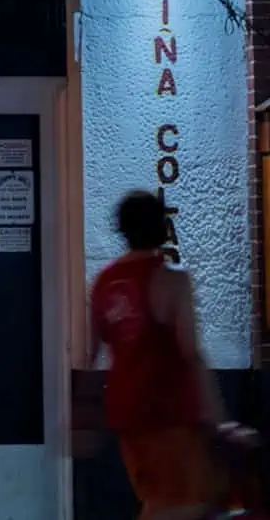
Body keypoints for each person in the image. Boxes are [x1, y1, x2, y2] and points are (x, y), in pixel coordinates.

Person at [89, 190, 254, 520]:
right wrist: (220, 420)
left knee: (157, 500)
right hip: (169, 413)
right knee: (186, 505)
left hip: (127, 416)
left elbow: (92, 353)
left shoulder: (103, 282)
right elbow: (191, 355)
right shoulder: (172, 281)